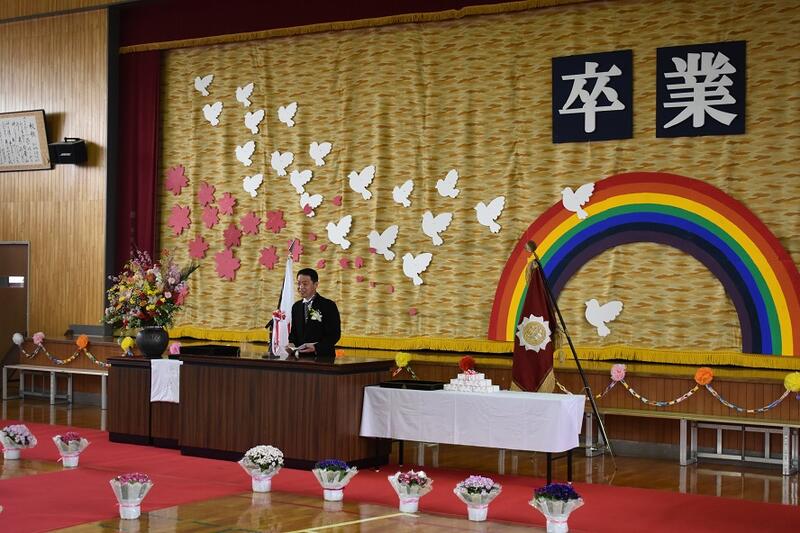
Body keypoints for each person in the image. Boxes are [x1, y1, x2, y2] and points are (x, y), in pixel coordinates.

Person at [287, 268, 341, 360]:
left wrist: (316, 347)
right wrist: (291, 344)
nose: (300, 287)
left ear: (316, 285)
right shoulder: (296, 307)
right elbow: (294, 333)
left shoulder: (328, 305)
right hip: (300, 358)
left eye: (305, 284)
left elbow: (334, 335)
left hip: (323, 357)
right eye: (299, 283)